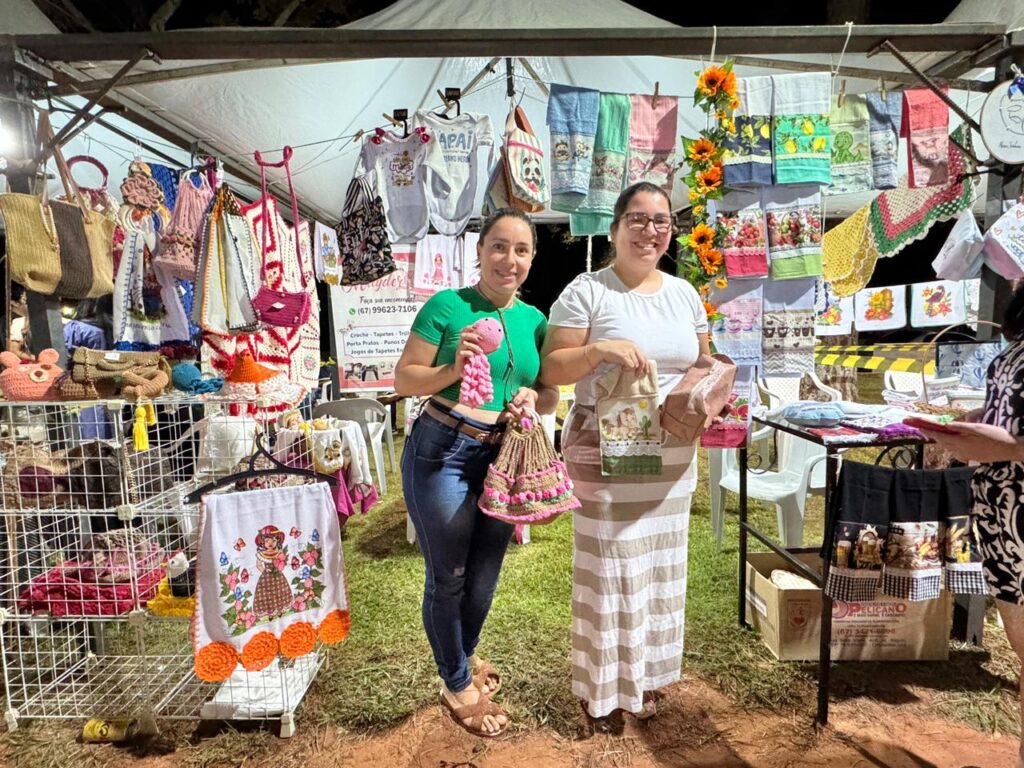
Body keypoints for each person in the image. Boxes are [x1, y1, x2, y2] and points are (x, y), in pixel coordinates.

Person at [540, 181, 710, 728]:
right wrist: (597, 351)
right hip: (603, 446)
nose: (650, 230)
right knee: (610, 567)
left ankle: (648, 678)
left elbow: (703, 362)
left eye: (661, 220)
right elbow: (551, 369)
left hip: (672, 450)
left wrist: (709, 392)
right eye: (637, 219)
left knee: (660, 568)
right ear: (614, 228)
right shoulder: (588, 291)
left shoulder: (684, 293)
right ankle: (601, 686)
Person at [394, 208, 558, 737]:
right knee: (449, 578)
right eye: (499, 247)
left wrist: (535, 396)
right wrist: (452, 369)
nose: (509, 260)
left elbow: (549, 388)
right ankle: (457, 681)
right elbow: (404, 378)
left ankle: (459, 663)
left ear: (532, 258)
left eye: (521, 250)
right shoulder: (448, 306)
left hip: (502, 456)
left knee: (485, 577)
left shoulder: (535, 321)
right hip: (442, 450)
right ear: (480, 251)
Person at [918, 281, 1024, 768]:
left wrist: (996, 443)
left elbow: (1016, 440)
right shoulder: (1015, 344)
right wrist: (972, 420)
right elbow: (1008, 407)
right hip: (998, 504)